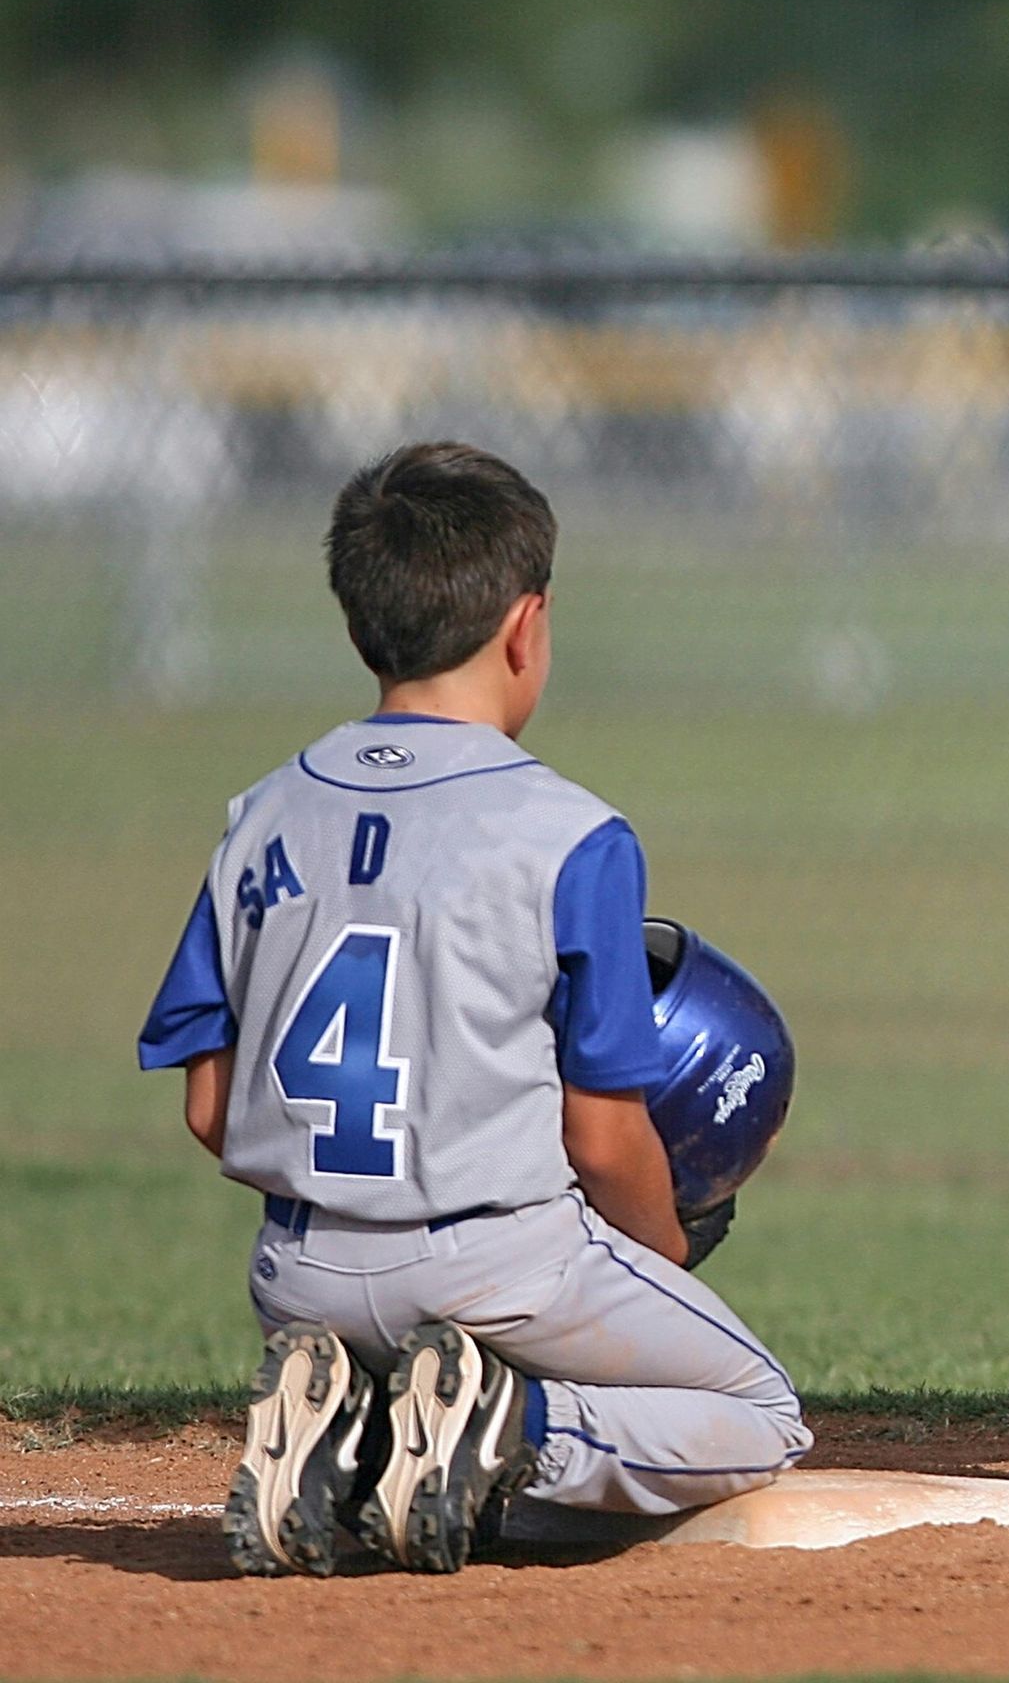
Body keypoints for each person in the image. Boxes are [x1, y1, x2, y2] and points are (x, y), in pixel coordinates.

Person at [137, 442, 811, 1576]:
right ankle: (503, 1427)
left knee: (443, 1343)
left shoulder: (258, 815)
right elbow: (602, 1134)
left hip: (296, 1275)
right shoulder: (568, 833)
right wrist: (658, 1252)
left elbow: (211, 1110)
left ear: (363, 623)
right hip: (495, 1263)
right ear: (525, 626)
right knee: (760, 1413)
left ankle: (357, 1432)